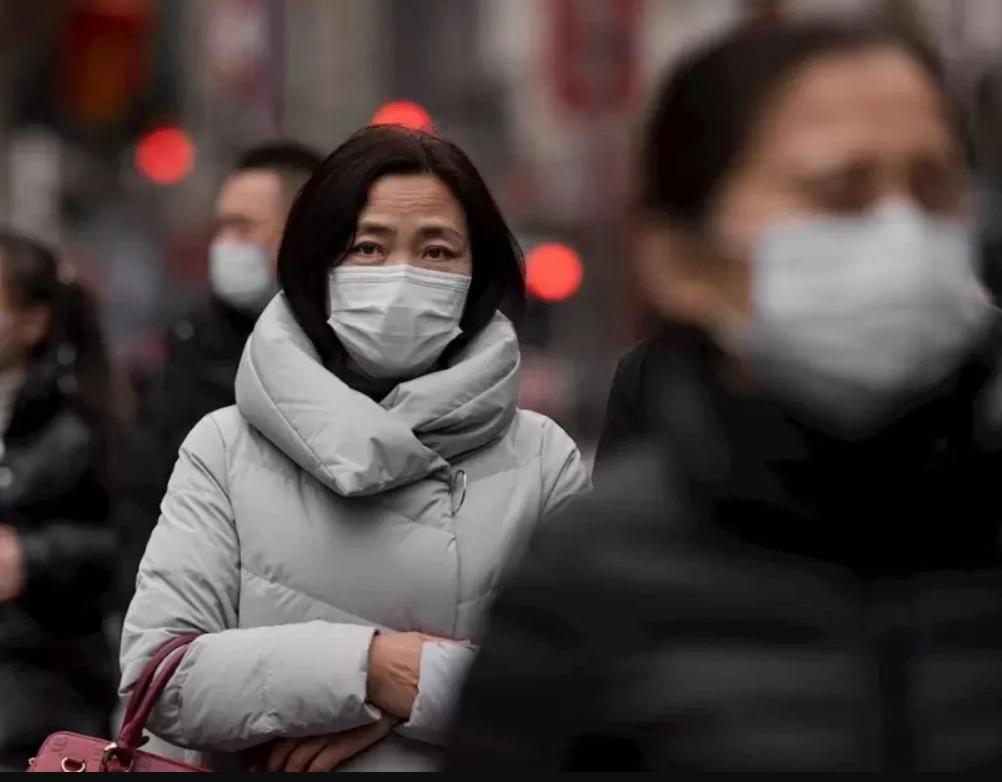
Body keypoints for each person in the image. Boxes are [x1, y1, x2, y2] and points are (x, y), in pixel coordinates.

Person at [444, 21, 1002, 772]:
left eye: (934, 188)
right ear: (681, 260)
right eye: (839, 192)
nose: (900, 231)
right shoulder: (584, 589)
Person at [119, 125, 589, 772]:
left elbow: (582, 696)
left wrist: (413, 683)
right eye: (368, 247)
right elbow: (160, 679)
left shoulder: (544, 461)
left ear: (477, 275)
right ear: (319, 266)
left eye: (437, 251)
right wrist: (369, 670)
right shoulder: (223, 449)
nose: (400, 276)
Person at [115, 141, 322, 607]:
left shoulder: (350, 360)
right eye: (222, 225)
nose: (224, 245)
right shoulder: (189, 350)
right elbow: (143, 503)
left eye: (243, 227)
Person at [0, 233, 123, 770]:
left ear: (33, 322)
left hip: (39, 698)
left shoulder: (82, 427)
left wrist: (33, 557)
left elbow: (134, 547)